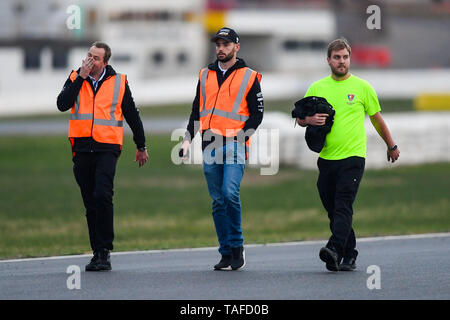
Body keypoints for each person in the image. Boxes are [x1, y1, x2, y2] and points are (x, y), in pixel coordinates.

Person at [296, 38, 400, 272]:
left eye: (345, 57)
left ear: (349, 59)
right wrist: (309, 120)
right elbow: (300, 118)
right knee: (332, 208)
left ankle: (333, 248)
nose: (341, 62)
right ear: (329, 60)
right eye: (336, 57)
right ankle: (349, 254)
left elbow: (377, 119)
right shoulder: (317, 88)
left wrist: (391, 145)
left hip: (353, 158)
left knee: (343, 205)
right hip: (326, 158)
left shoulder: (363, 88)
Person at [57, 41, 149, 271]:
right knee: (90, 202)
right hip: (81, 148)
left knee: (102, 194)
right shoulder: (75, 78)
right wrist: (80, 77)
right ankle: (96, 251)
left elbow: (132, 115)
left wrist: (141, 145)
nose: (90, 60)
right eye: (89, 55)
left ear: (105, 62)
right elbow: (62, 104)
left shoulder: (119, 82)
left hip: (107, 147)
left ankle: (105, 250)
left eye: (95, 58)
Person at [180, 27, 264, 270]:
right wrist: (187, 139)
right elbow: (197, 110)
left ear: (236, 47)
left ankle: (237, 246)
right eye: (218, 44)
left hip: (235, 145)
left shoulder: (249, 77)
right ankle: (225, 251)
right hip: (210, 144)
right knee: (217, 201)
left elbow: (257, 115)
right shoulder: (205, 75)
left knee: (229, 193)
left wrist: (242, 137)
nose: (221, 48)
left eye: (226, 44)